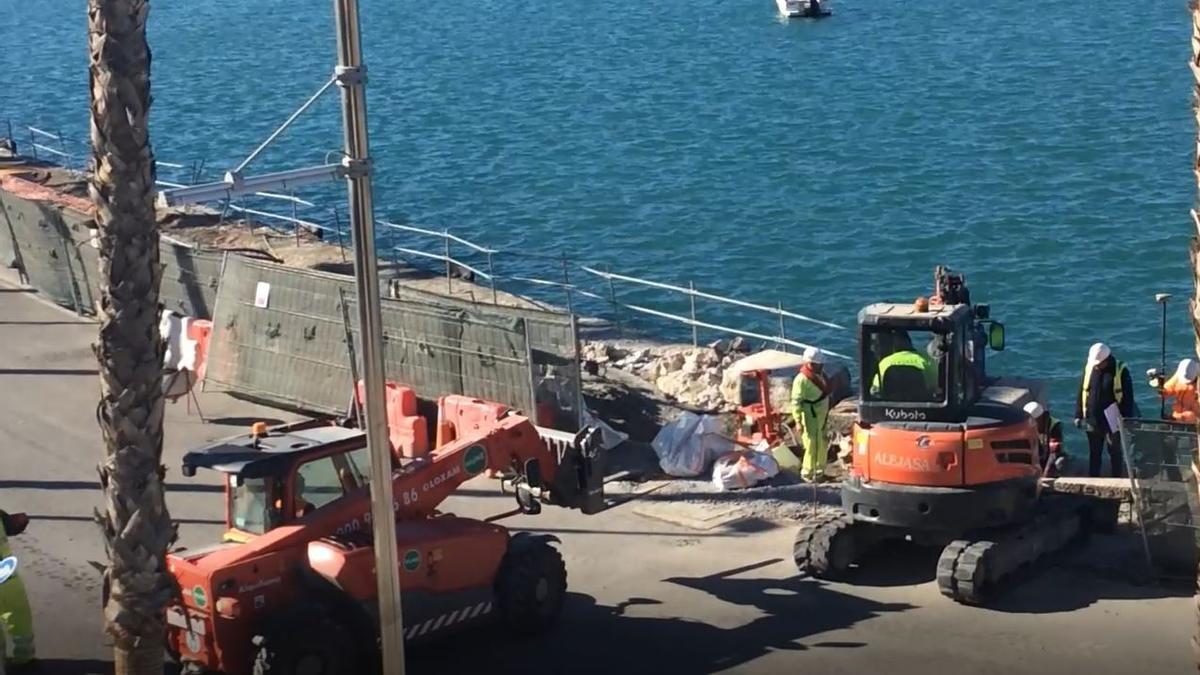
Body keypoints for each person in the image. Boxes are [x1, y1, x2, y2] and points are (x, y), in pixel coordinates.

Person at [1075, 342, 1133, 477]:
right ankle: (1093, 477)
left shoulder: (1120, 370)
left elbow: (1128, 397)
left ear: (1106, 360)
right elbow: (1082, 390)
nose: (1097, 365)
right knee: (1094, 452)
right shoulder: (1090, 368)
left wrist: (1126, 418)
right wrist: (1078, 414)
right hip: (1093, 418)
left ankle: (1116, 477)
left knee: (1114, 451)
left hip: (1113, 419)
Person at [791, 346, 833, 482]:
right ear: (810, 364)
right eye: (818, 364)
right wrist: (797, 421)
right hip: (811, 416)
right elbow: (796, 401)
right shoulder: (801, 380)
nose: (821, 366)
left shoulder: (819, 375)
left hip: (821, 416)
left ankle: (819, 471)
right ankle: (807, 474)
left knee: (821, 443)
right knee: (811, 445)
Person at [0, 509, 34, 670]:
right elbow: (15, 525)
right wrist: (20, 519)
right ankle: (25, 656)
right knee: (20, 617)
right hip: (8, 579)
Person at [870, 330, 938, 397]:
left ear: (893, 345)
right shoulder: (928, 361)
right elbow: (935, 388)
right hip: (921, 406)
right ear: (909, 343)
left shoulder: (885, 363)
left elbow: (875, 390)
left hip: (890, 406)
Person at [1150, 358, 1199, 423]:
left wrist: (1178, 418)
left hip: (1195, 420)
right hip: (1177, 415)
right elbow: (1167, 391)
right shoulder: (1178, 377)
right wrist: (1160, 387)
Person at [1023, 401, 1066, 477]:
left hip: (1051, 458)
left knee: (1059, 462)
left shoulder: (1054, 425)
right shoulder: (1027, 426)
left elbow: (1054, 452)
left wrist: (1045, 474)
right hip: (1036, 458)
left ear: (1040, 418)